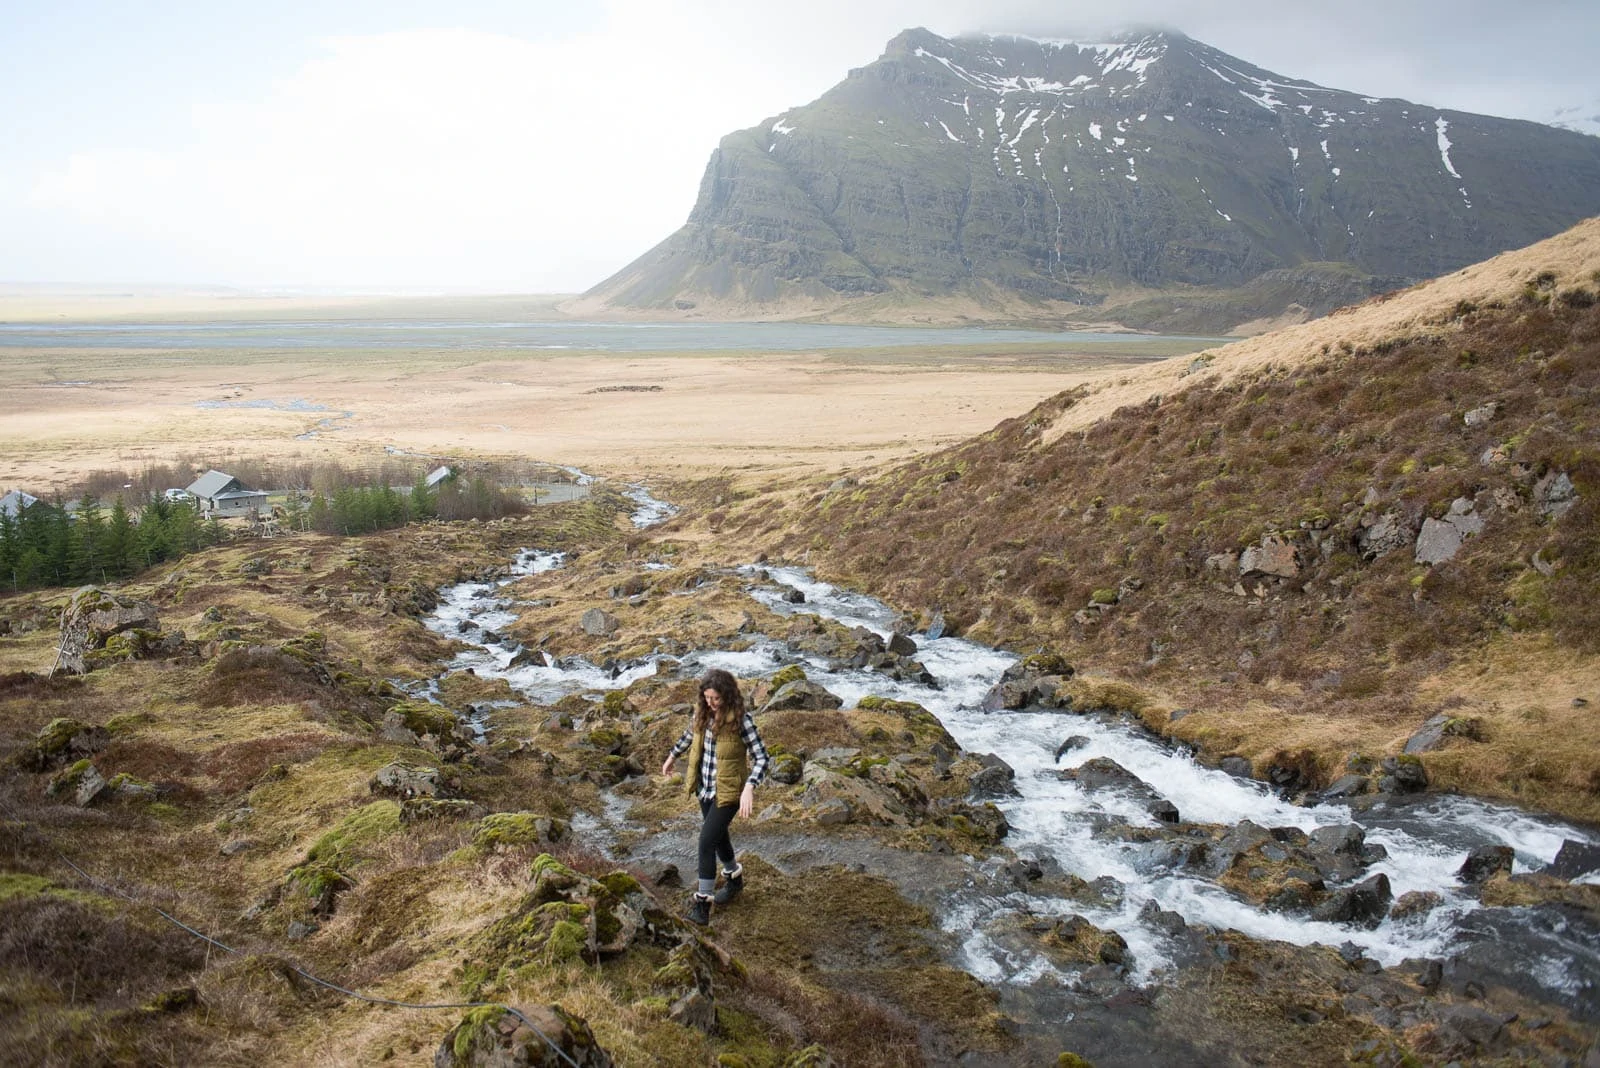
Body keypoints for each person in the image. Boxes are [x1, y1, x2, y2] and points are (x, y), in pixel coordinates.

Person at [661, 668, 771, 925]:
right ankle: (734, 879)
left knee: (705, 842)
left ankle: (702, 905)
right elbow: (690, 734)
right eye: (707, 698)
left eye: (716, 699)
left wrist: (749, 787)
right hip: (704, 788)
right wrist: (671, 757)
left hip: (729, 791)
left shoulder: (741, 720)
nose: (711, 703)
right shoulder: (702, 712)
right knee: (719, 836)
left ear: (728, 696)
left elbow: (763, 757)